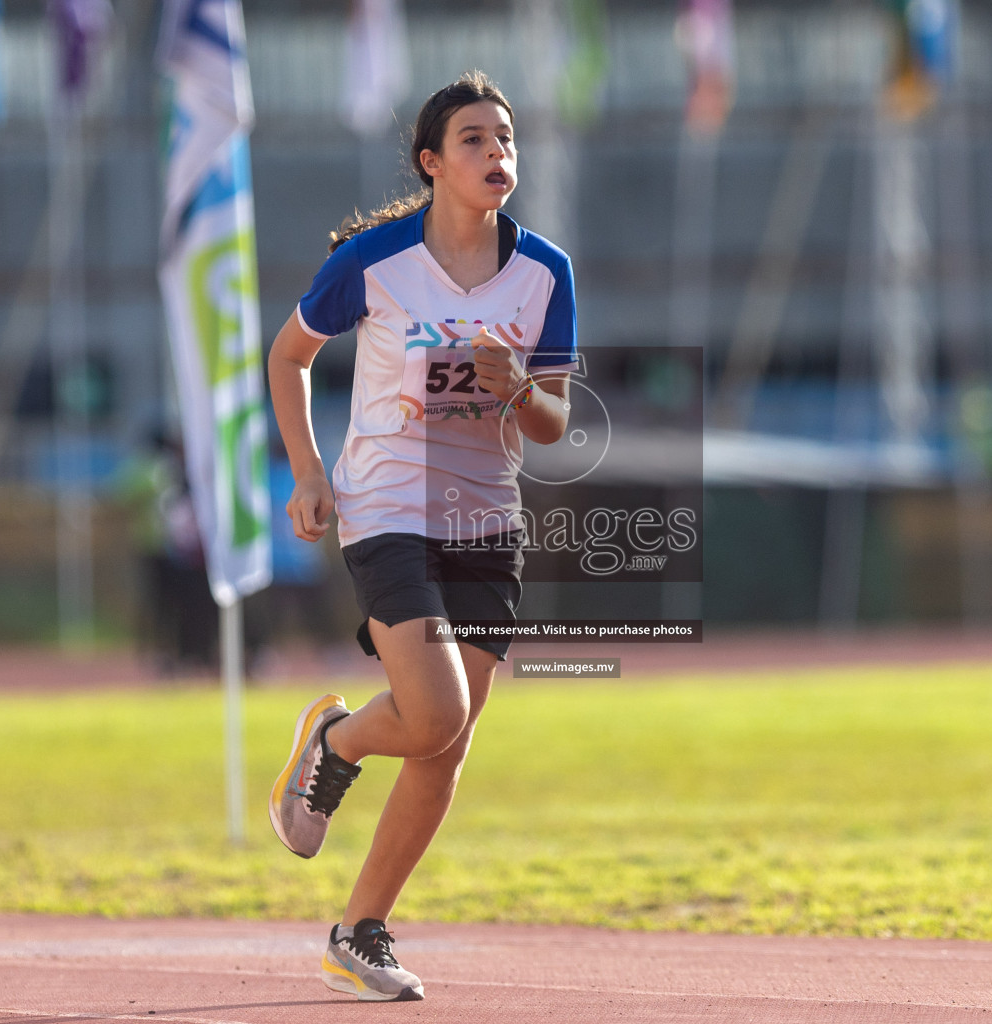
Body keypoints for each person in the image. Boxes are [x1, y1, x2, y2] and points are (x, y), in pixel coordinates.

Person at [264, 71, 577, 1002]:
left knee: (449, 742)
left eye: (507, 139)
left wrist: (516, 382)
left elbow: (556, 424)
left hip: (488, 516)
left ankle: (358, 933)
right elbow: (289, 356)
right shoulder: (375, 259)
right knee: (435, 714)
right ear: (432, 163)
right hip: (388, 505)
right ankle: (341, 746)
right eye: (475, 140)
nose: (498, 154)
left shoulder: (545, 271)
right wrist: (308, 472)